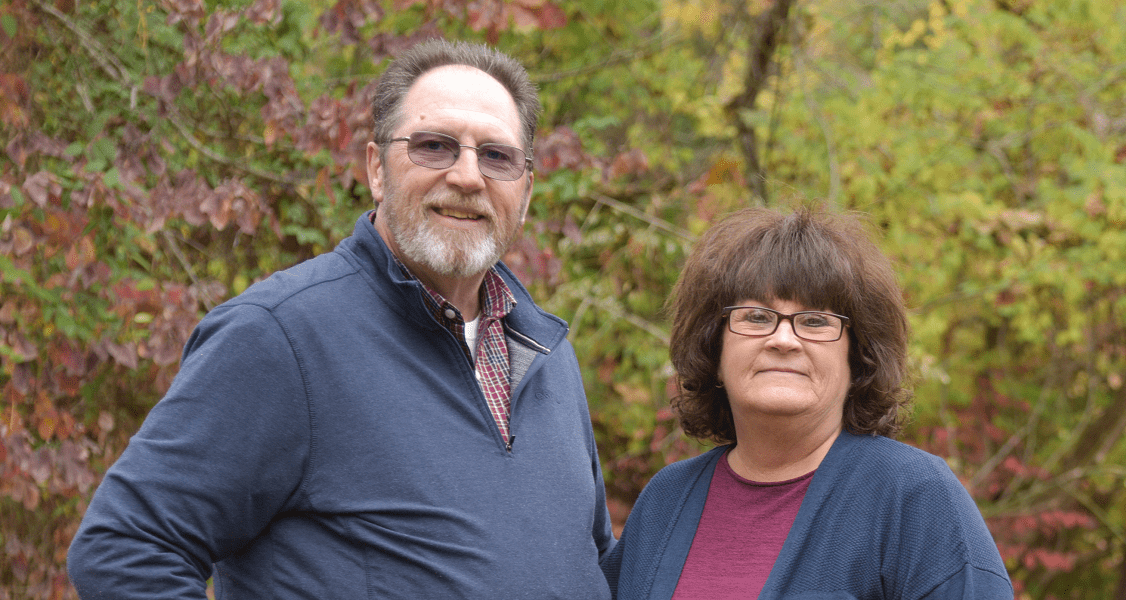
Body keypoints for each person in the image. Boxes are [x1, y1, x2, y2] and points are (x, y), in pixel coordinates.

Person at [67, 39, 614, 599]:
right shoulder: (280, 336)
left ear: (525, 190)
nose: (469, 176)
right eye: (435, 146)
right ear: (377, 168)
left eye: (496, 156)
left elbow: (592, 562)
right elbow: (124, 550)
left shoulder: (545, 353)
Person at [601, 206, 1013, 599]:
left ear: (858, 356)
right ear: (714, 348)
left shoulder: (914, 496)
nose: (783, 340)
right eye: (756, 317)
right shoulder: (666, 502)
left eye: (815, 321)